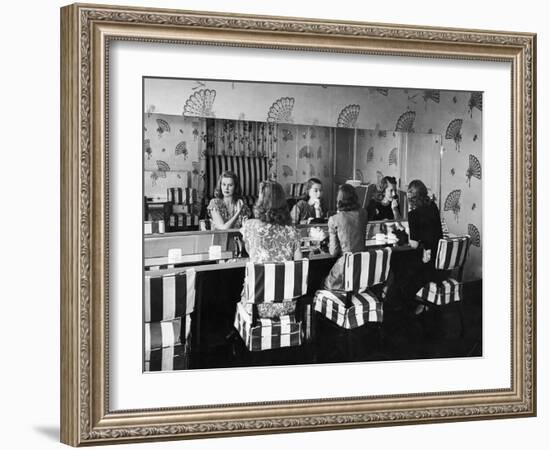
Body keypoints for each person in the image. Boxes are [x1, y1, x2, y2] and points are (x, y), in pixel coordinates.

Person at [240, 180, 302, 318]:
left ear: (261, 201)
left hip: (257, 305)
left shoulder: (250, 226)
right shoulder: (293, 231)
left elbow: (251, 252)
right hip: (287, 305)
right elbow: (299, 266)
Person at [384, 179, 443, 316]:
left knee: (398, 262)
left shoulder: (413, 214)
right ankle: (405, 301)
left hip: (427, 264)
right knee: (403, 262)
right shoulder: (433, 206)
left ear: (410, 197)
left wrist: (410, 230)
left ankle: (397, 304)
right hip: (438, 261)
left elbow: (414, 244)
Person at [323, 184, 368, 290]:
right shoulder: (363, 213)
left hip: (344, 270)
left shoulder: (335, 219)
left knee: (323, 282)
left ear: (339, 200)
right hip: (362, 268)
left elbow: (333, 251)